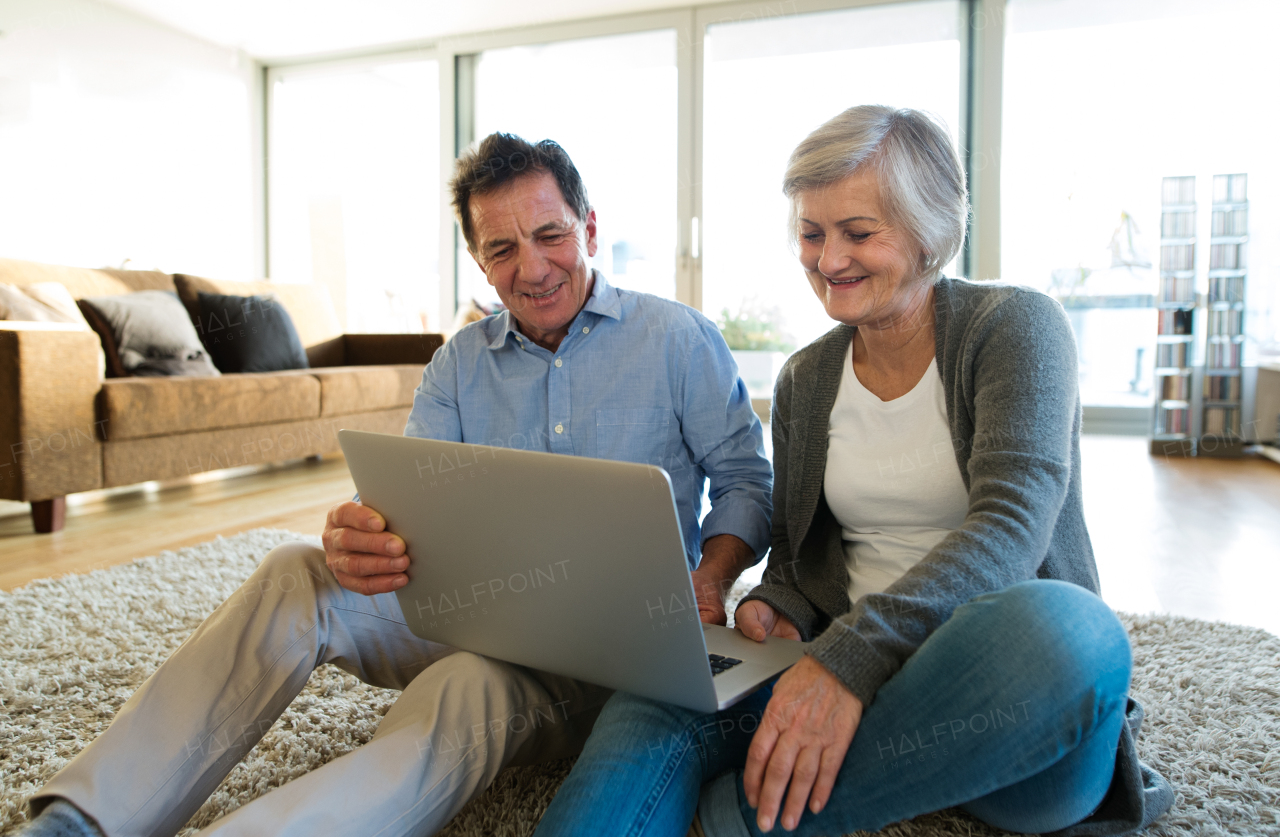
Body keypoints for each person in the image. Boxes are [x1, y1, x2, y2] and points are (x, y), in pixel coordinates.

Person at [20, 133, 773, 837]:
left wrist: (713, 574)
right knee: (294, 572)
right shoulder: (459, 362)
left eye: (549, 236)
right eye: (502, 248)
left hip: (612, 655)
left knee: (463, 696)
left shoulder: (678, 339)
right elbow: (413, 512)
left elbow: (746, 480)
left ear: (589, 228)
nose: (533, 268)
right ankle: (80, 821)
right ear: (479, 261)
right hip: (477, 615)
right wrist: (364, 539)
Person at [532, 106, 1174, 837]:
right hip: (837, 668)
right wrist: (775, 608)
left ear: (931, 228)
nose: (827, 259)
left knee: (1073, 635)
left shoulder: (1015, 328)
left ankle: (741, 817)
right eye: (811, 233)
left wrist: (846, 663)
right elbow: (803, 562)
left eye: (858, 233)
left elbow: (1012, 529)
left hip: (989, 693)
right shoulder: (807, 378)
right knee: (659, 691)